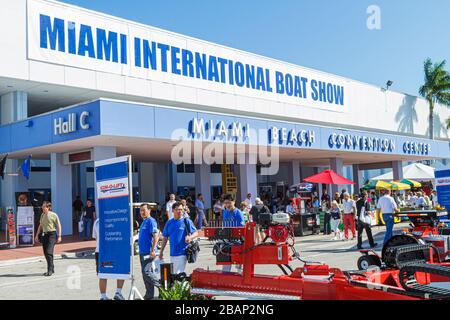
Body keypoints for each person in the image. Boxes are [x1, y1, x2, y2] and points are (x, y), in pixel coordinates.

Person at [159, 202, 198, 274]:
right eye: (177, 209)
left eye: (181, 209)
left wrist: (190, 237)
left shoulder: (186, 221)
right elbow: (165, 238)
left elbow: (196, 233)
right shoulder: (169, 222)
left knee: (178, 274)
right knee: (173, 274)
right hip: (172, 253)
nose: (180, 211)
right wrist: (161, 252)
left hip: (182, 253)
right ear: (173, 210)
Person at [92, 218, 125, 300]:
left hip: (100, 251)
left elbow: (95, 237)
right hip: (114, 250)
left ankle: (103, 296)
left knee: (102, 274)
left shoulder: (97, 221)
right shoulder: (116, 219)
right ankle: (118, 292)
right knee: (121, 270)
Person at [138, 203, 160, 300]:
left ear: (149, 211)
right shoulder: (144, 221)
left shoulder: (151, 221)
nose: (142, 212)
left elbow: (156, 236)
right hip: (142, 252)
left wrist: (153, 250)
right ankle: (149, 294)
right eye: (141, 210)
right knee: (145, 273)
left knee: (147, 272)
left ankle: (162, 287)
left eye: (144, 210)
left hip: (148, 252)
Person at [34, 201, 62, 276]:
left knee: (49, 252)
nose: (42, 208)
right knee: (45, 253)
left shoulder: (53, 215)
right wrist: (36, 235)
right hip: (44, 235)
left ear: (48, 207)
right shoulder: (42, 215)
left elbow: (59, 225)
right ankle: (52, 268)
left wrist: (59, 236)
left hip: (52, 235)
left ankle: (49, 270)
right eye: (42, 206)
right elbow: (40, 226)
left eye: (44, 206)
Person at [222, 194, 245, 271]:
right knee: (226, 263)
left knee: (239, 266)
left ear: (234, 202)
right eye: (225, 203)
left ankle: (240, 274)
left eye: (229, 203)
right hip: (226, 241)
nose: (227, 205)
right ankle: (225, 277)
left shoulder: (238, 213)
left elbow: (241, 228)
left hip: (237, 241)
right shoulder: (225, 212)